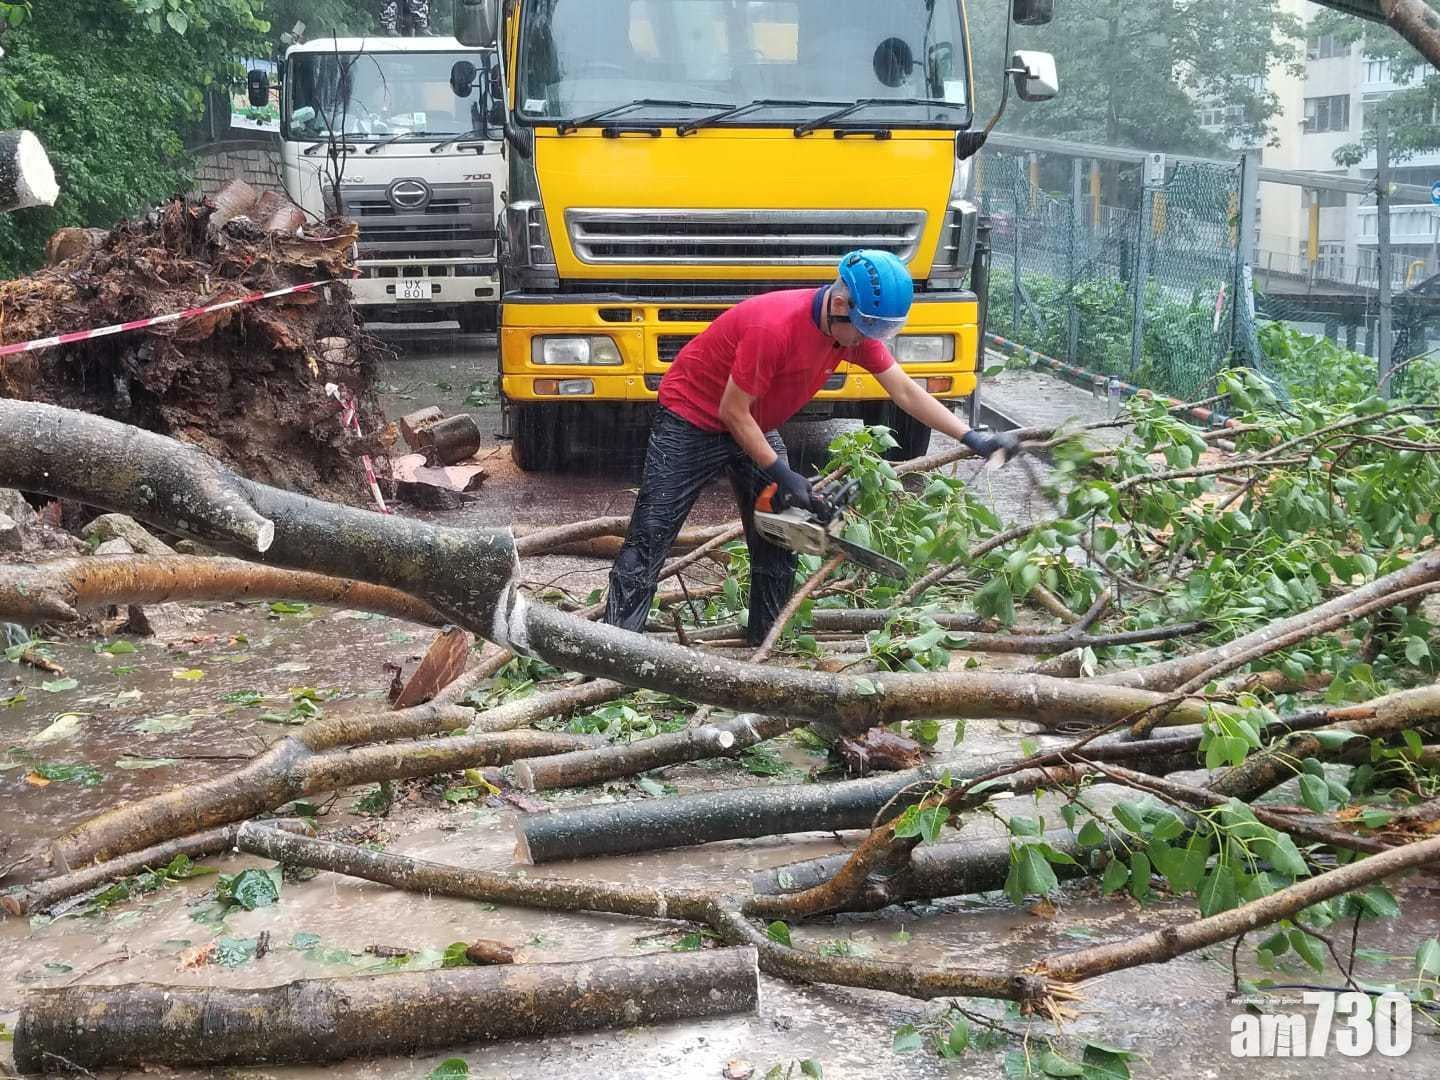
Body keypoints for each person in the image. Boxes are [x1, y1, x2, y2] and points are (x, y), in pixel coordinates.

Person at [604, 249, 1021, 646]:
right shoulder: (774, 328)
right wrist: (782, 473)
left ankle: (767, 643)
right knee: (651, 535)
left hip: (754, 422)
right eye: (864, 329)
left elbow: (906, 392)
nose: (865, 341)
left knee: (780, 531)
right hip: (692, 417)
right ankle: (616, 647)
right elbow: (732, 412)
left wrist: (973, 438)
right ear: (839, 303)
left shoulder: (853, 331)